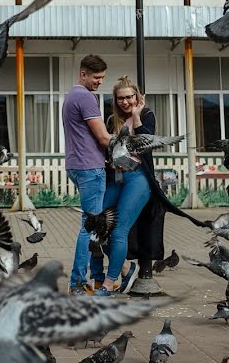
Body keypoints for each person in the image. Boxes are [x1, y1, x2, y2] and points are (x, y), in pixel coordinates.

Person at [88, 76, 153, 297]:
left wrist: (136, 115)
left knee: (119, 231)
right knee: (96, 225)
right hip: (115, 178)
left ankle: (108, 284)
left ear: (137, 97)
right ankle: (126, 267)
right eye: (120, 98)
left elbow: (147, 144)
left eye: (129, 97)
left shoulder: (146, 115)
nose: (125, 102)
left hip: (138, 179)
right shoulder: (110, 120)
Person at [62, 54, 112, 296]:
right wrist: (127, 142)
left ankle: (96, 277)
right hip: (90, 167)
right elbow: (103, 138)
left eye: (102, 77)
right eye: (96, 77)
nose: (99, 82)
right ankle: (77, 283)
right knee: (89, 227)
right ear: (83, 74)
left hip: (75, 165)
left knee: (94, 226)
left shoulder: (71, 96)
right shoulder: (86, 97)